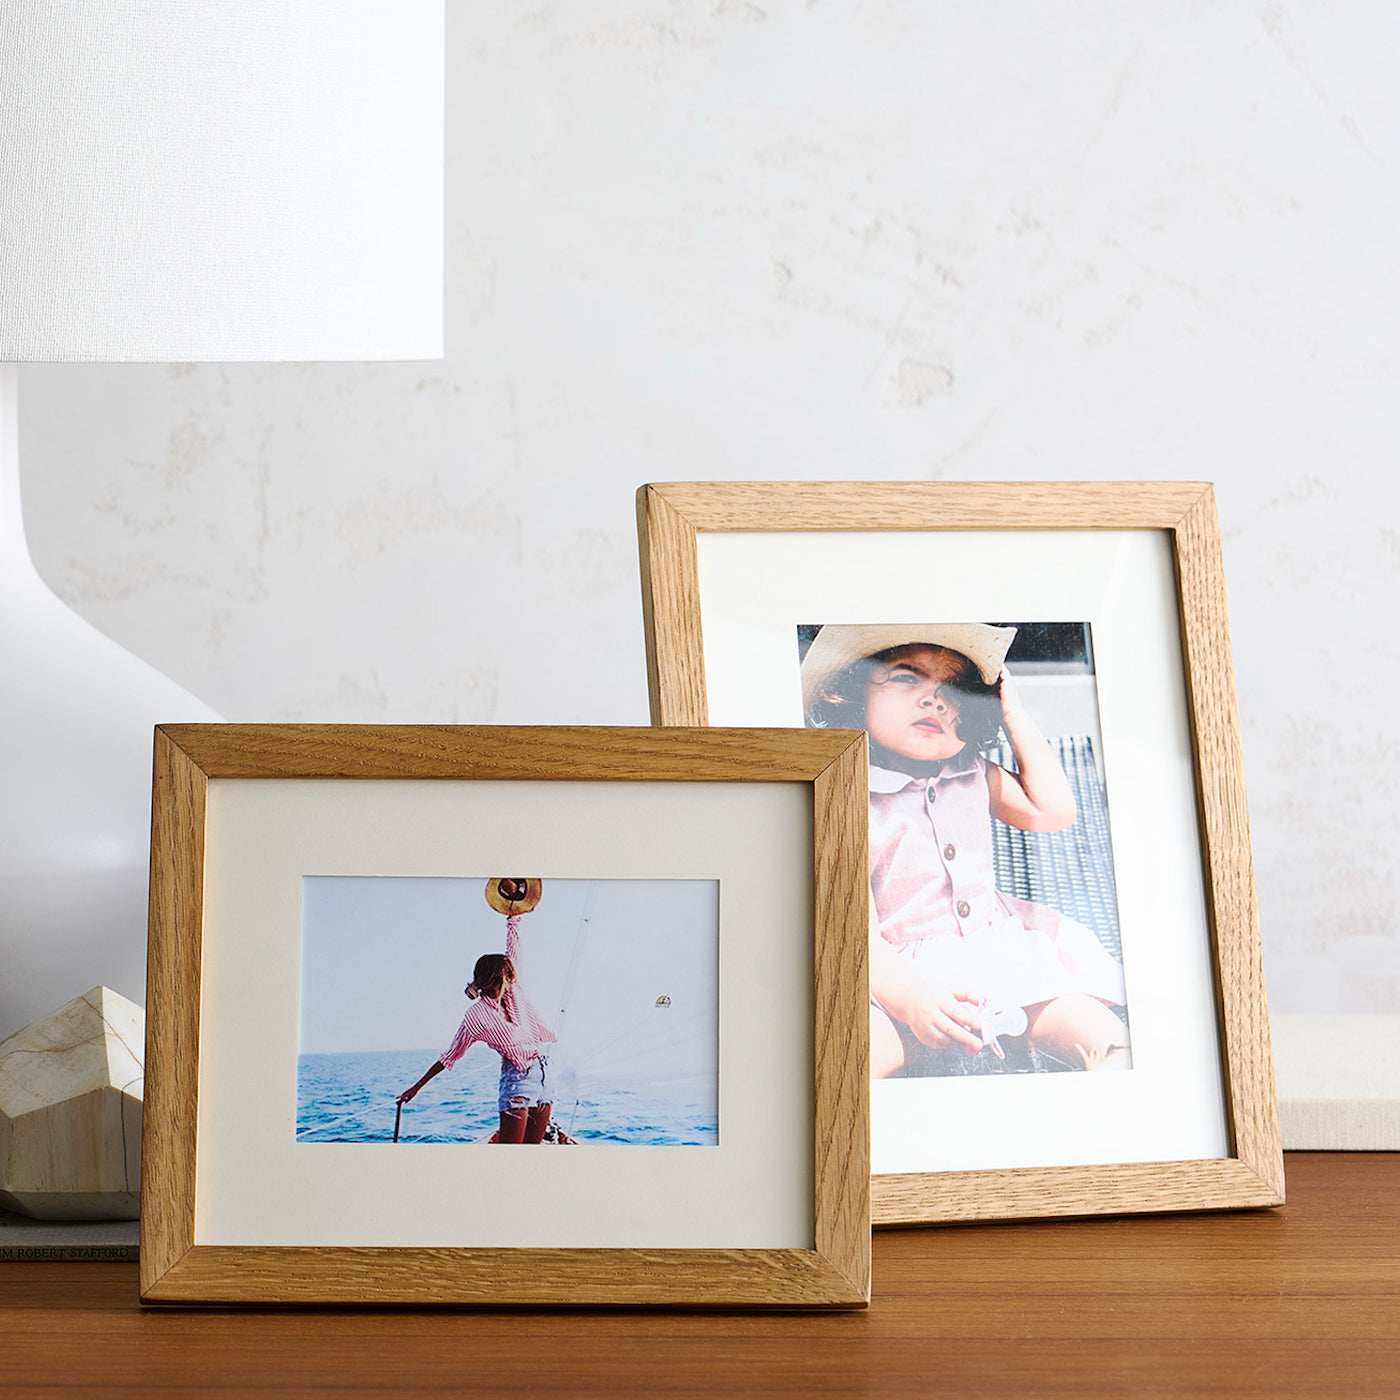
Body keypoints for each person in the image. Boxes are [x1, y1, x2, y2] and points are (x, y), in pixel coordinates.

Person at [801, 623, 1130, 1079]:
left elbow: (1052, 810)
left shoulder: (973, 774)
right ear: (857, 694)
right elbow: (857, 935)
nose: (935, 699)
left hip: (995, 956)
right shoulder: (849, 796)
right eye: (905, 677)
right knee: (863, 1057)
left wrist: (1013, 716)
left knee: (1083, 1020)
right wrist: (914, 1002)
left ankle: (1125, 1094)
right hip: (895, 976)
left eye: (955, 689)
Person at [397, 884, 558, 1142]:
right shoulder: (476, 1017)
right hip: (517, 1080)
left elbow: (514, 945)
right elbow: (451, 1055)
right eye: (509, 973)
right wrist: (416, 1088)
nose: (513, 975)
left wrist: (514, 913)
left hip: (543, 1073)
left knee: (533, 1151)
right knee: (512, 1157)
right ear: (500, 977)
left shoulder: (513, 990)